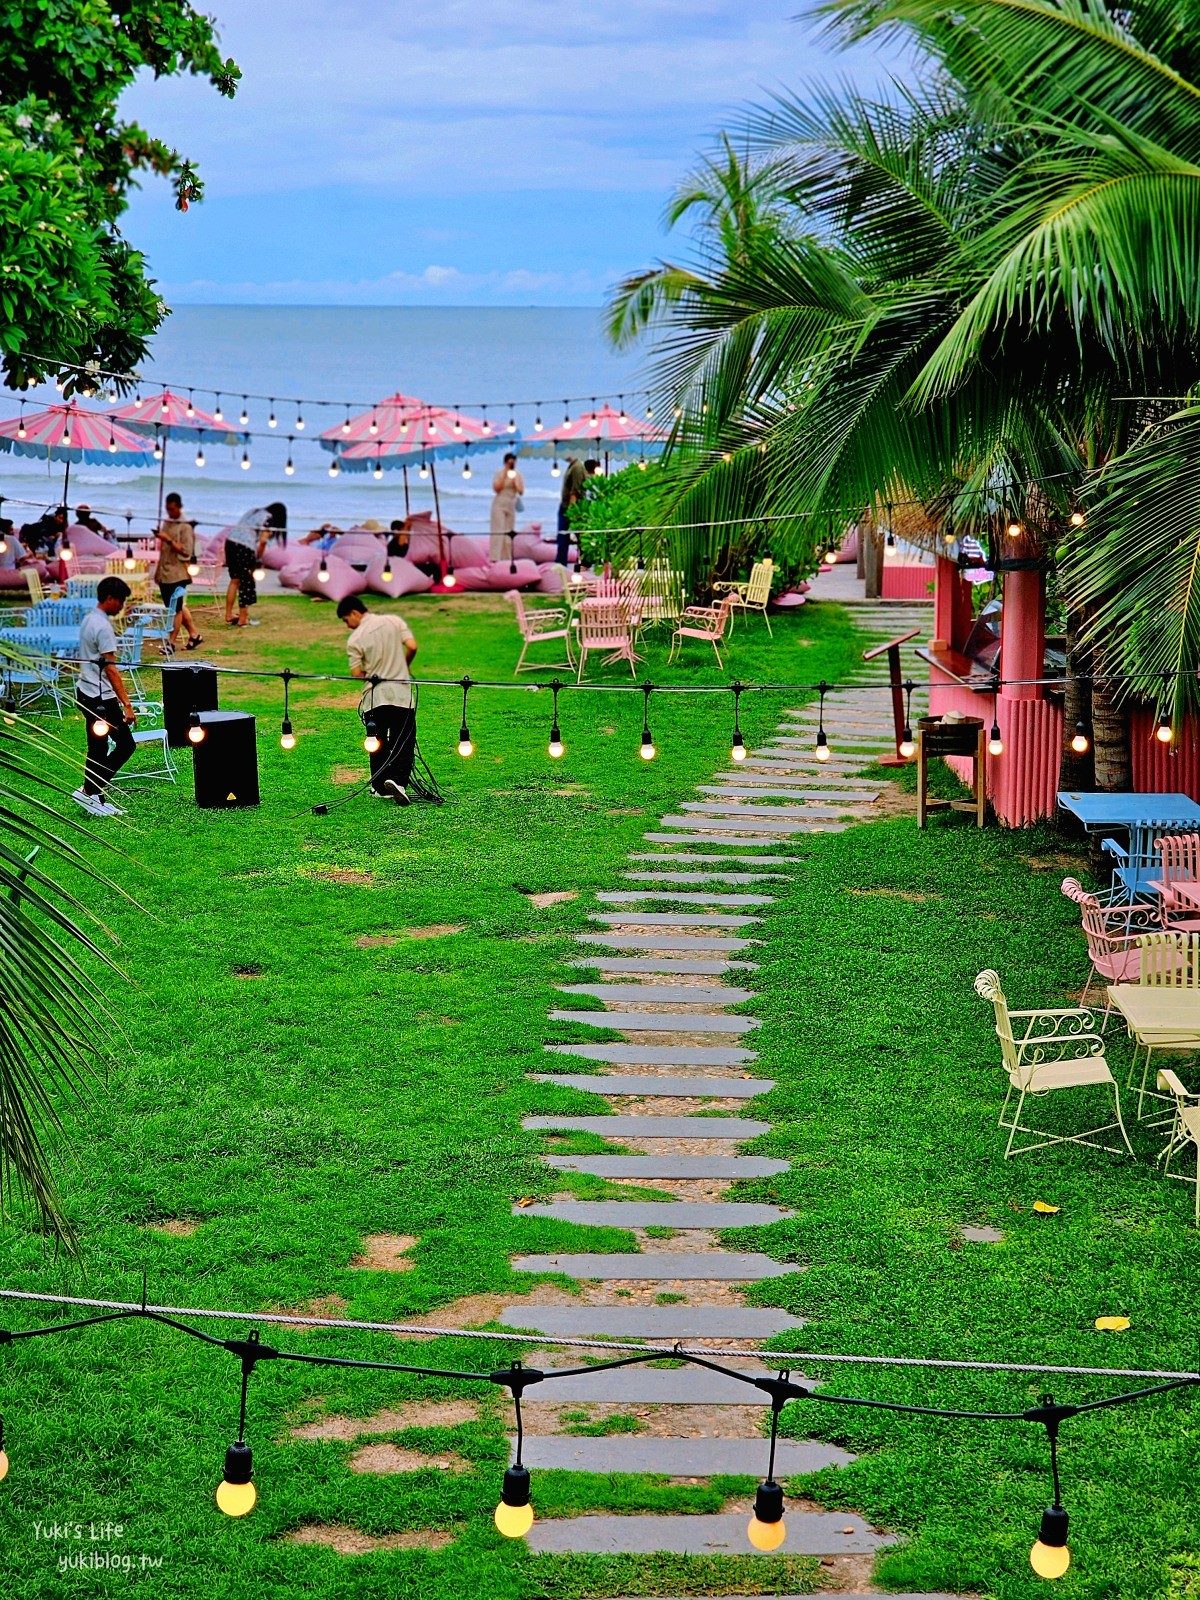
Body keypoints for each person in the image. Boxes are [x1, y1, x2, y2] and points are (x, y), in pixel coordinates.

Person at [337, 594, 417, 805]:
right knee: (404, 740)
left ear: (355, 613)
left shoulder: (355, 639)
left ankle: (380, 786)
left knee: (377, 741)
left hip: (375, 697)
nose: (348, 626)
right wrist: (404, 667)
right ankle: (398, 781)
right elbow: (412, 646)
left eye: (346, 620)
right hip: (401, 694)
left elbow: (356, 673)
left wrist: (371, 672)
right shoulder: (393, 621)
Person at [74, 576, 137, 817]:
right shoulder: (102, 627)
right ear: (109, 598)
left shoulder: (90, 619)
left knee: (97, 748)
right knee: (125, 745)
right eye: (120, 601)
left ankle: (96, 797)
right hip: (100, 698)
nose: (121, 605)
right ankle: (90, 790)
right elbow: (111, 669)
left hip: (85, 691)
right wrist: (127, 704)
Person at [154, 492, 203, 654]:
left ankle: (171, 642)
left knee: (176, 610)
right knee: (176, 607)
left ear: (179, 507)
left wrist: (168, 539)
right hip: (165, 571)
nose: (170, 512)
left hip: (178, 573)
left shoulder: (185, 526)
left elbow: (186, 552)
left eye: (172, 509)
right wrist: (158, 570)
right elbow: (163, 550)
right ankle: (194, 635)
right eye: (167, 509)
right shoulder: (167, 522)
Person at [224, 511, 269, 627]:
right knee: (246, 582)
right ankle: (243, 619)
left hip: (230, 543)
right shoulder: (269, 519)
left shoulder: (254, 514)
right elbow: (263, 541)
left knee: (235, 580)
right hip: (244, 547)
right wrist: (258, 558)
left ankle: (229, 614)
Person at [556, 457, 599, 566]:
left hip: (571, 507)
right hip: (568, 506)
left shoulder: (577, 467)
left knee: (571, 535)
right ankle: (563, 561)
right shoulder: (573, 466)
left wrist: (572, 510)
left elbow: (575, 491)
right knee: (568, 535)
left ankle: (583, 561)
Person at [489, 452, 524, 561]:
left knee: (509, 533)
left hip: (511, 503)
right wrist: (505, 474)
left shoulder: (518, 474)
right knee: (498, 531)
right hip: (499, 503)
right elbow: (496, 488)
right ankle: (495, 558)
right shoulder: (499, 473)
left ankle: (507, 558)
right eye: (510, 463)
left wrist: (514, 480)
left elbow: (521, 491)